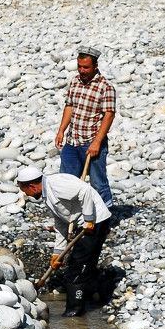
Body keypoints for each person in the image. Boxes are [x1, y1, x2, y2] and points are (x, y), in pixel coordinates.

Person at [16, 166, 111, 317]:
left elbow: (85, 190)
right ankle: (94, 295)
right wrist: (57, 253)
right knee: (83, 263)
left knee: (76, 268)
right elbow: (61, 223)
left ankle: (74, 313)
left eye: (24, 190)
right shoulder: (47, 194)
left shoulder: (56, 185)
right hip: (84, 222)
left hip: (95, 221)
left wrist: (88, 218)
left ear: (32, 186)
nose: (25, 194)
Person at [54, 44, 116, 208]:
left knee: (98, 183)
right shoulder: (75, 82)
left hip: (91, 142)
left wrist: (97, 142)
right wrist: (61, 130)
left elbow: (109, 115)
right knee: (67, 182)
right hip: (72, 141)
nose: (82, 70)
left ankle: (104, 220)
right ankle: (69, 219)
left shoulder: (105, 87)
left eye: (86, 67)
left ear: (95, 66)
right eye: (80, 67)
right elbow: (69, 106)